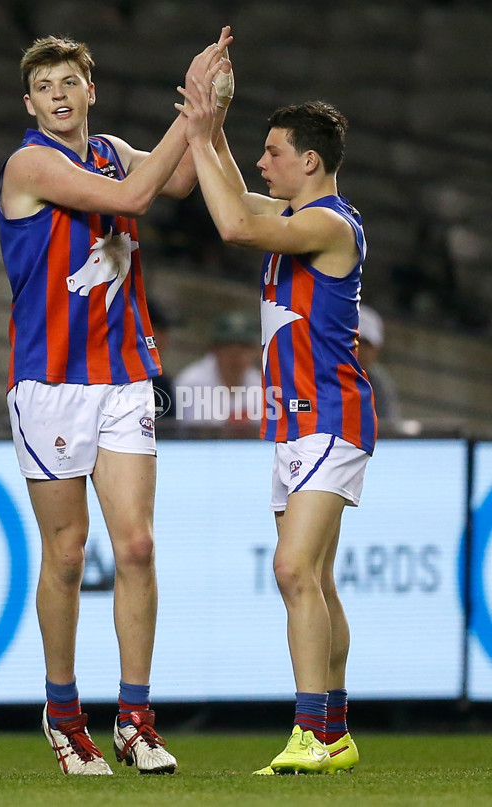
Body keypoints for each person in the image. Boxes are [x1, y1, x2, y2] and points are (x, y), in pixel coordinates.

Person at [0, 30, 232, 776]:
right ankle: (65, 716)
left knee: (135, 546)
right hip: (51, 382)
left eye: (70, 81)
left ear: (89, 91)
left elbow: (182, 182)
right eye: (45, 87)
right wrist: (189, 107)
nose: (59, 95)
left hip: (126, 375)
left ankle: (136, 719)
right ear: (29, 103)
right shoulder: (30, 163)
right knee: (66, 554)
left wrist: (213, 112)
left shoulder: (116, 148)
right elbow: (136, 198)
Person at [177, 73, 377, 774]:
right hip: (295, 424)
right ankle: (338, 730)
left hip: (332, 416)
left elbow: (233, 223)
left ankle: (312, 734)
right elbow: (232, 197)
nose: (262, 163)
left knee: (292, 567)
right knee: (315, 579)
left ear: (310, 161)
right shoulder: (298, 217)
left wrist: (203, 134)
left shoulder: (325, 224)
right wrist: (217, 120)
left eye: (273, 151)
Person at [174, 310, 261, 428]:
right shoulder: (191, 382)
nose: (236, 354)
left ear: (255, 351)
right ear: (215, 349)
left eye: (244, 347)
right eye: (228, 346)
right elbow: (197, 436)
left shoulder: (260, 383)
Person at [357, 305, 402, 428]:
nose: (361, 350)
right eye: (357, 341)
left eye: (367, 345)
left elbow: (389, 427)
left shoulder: (379, 383)